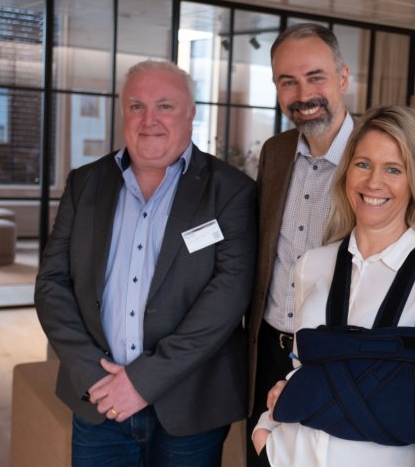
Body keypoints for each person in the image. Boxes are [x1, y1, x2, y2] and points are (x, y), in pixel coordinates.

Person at [34, 60, 258, 465]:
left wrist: (140, 382)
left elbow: (228, 297)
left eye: (165, 106)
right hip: (99, 400)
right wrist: (94, 375)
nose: (149, 120)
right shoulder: (85, 183)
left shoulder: (230, 191)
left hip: (192, 404)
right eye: (136, 106)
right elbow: (51, 284)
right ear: (123, 112)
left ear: (191, 113)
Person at [251, 105, 415, 466]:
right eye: (363, 164)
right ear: (346, 171)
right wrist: (265, 434)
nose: (373, 182)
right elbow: (300, 370)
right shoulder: (311, 265)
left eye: (393, 169)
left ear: (414, 181)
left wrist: (303, 396)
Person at [245, 22, 356, 466]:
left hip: (335, 357)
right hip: (269, 351)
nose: (303, 94)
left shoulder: (377, 155)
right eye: (287, 81)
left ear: (343, 77)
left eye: (315, 77)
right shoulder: (275, 152)